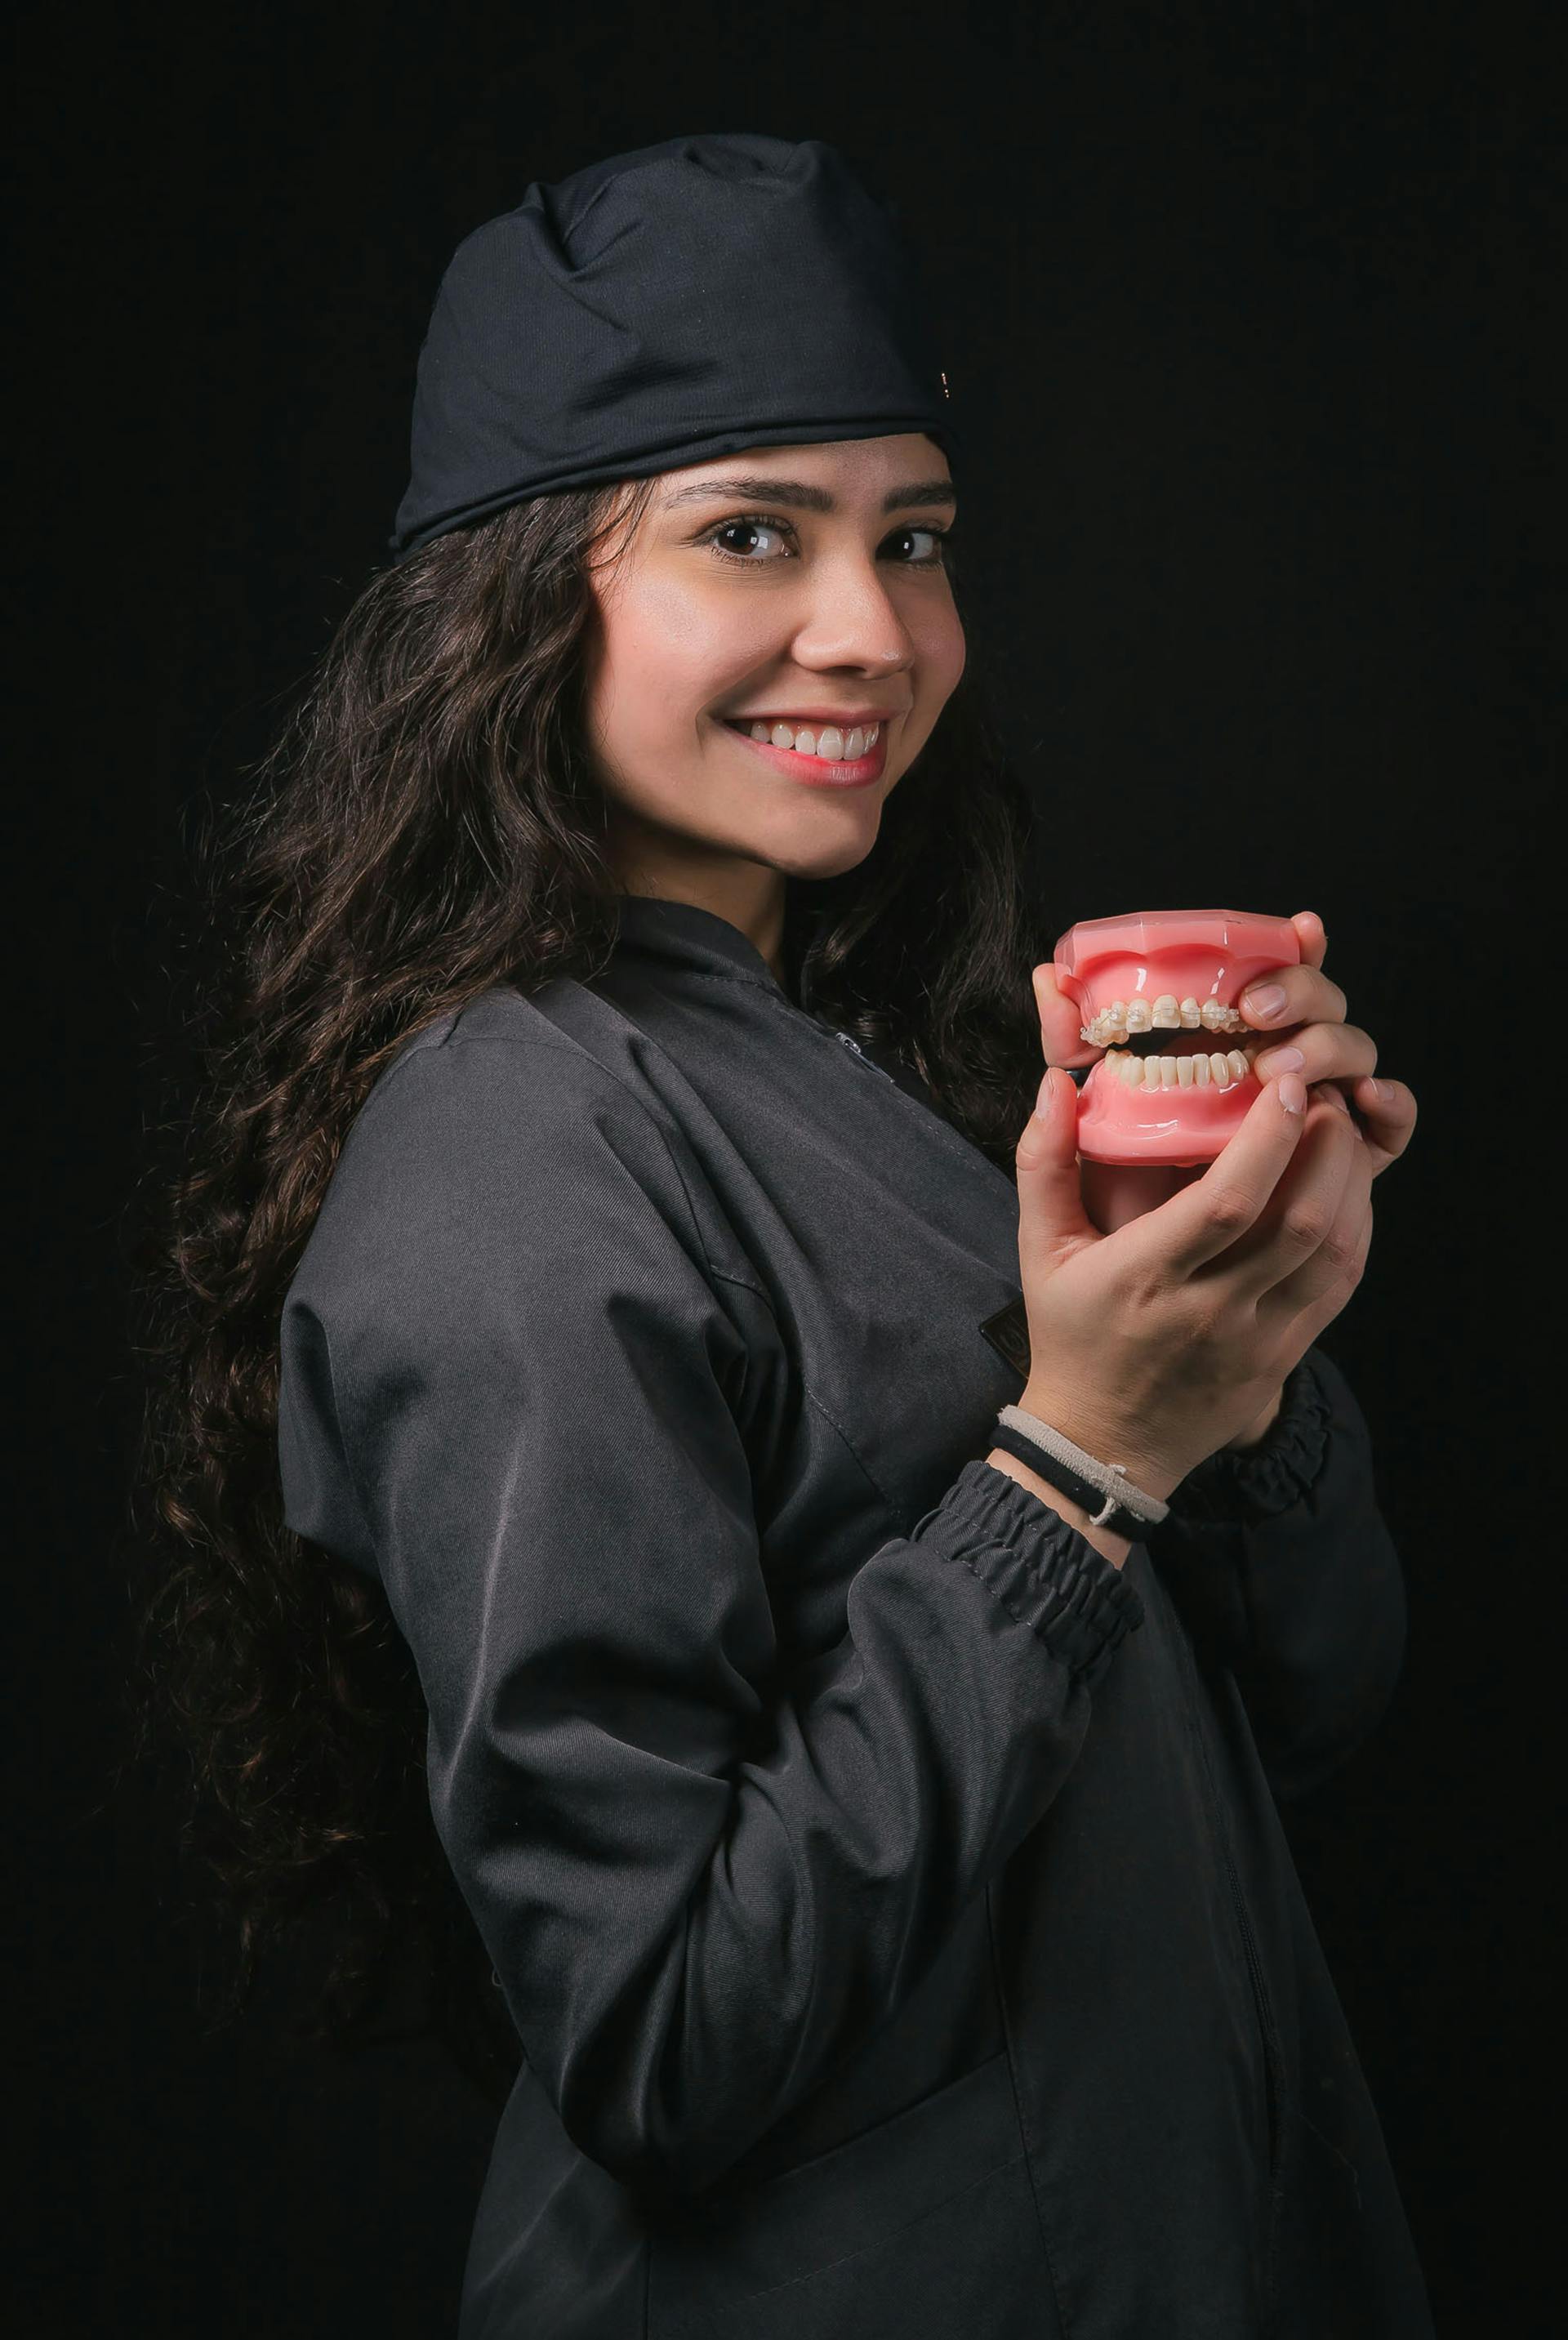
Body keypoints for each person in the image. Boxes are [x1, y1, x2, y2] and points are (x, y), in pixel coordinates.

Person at [133, 135, 1432, 2335]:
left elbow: (1309, 1707)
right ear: (528, 597)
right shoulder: (512, 1138)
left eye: (914, 539)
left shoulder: (887, 1079)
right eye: (755, 534)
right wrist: (1081, 1464)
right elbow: (661, 2026)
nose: (876, 629)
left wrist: (1253, 1322)